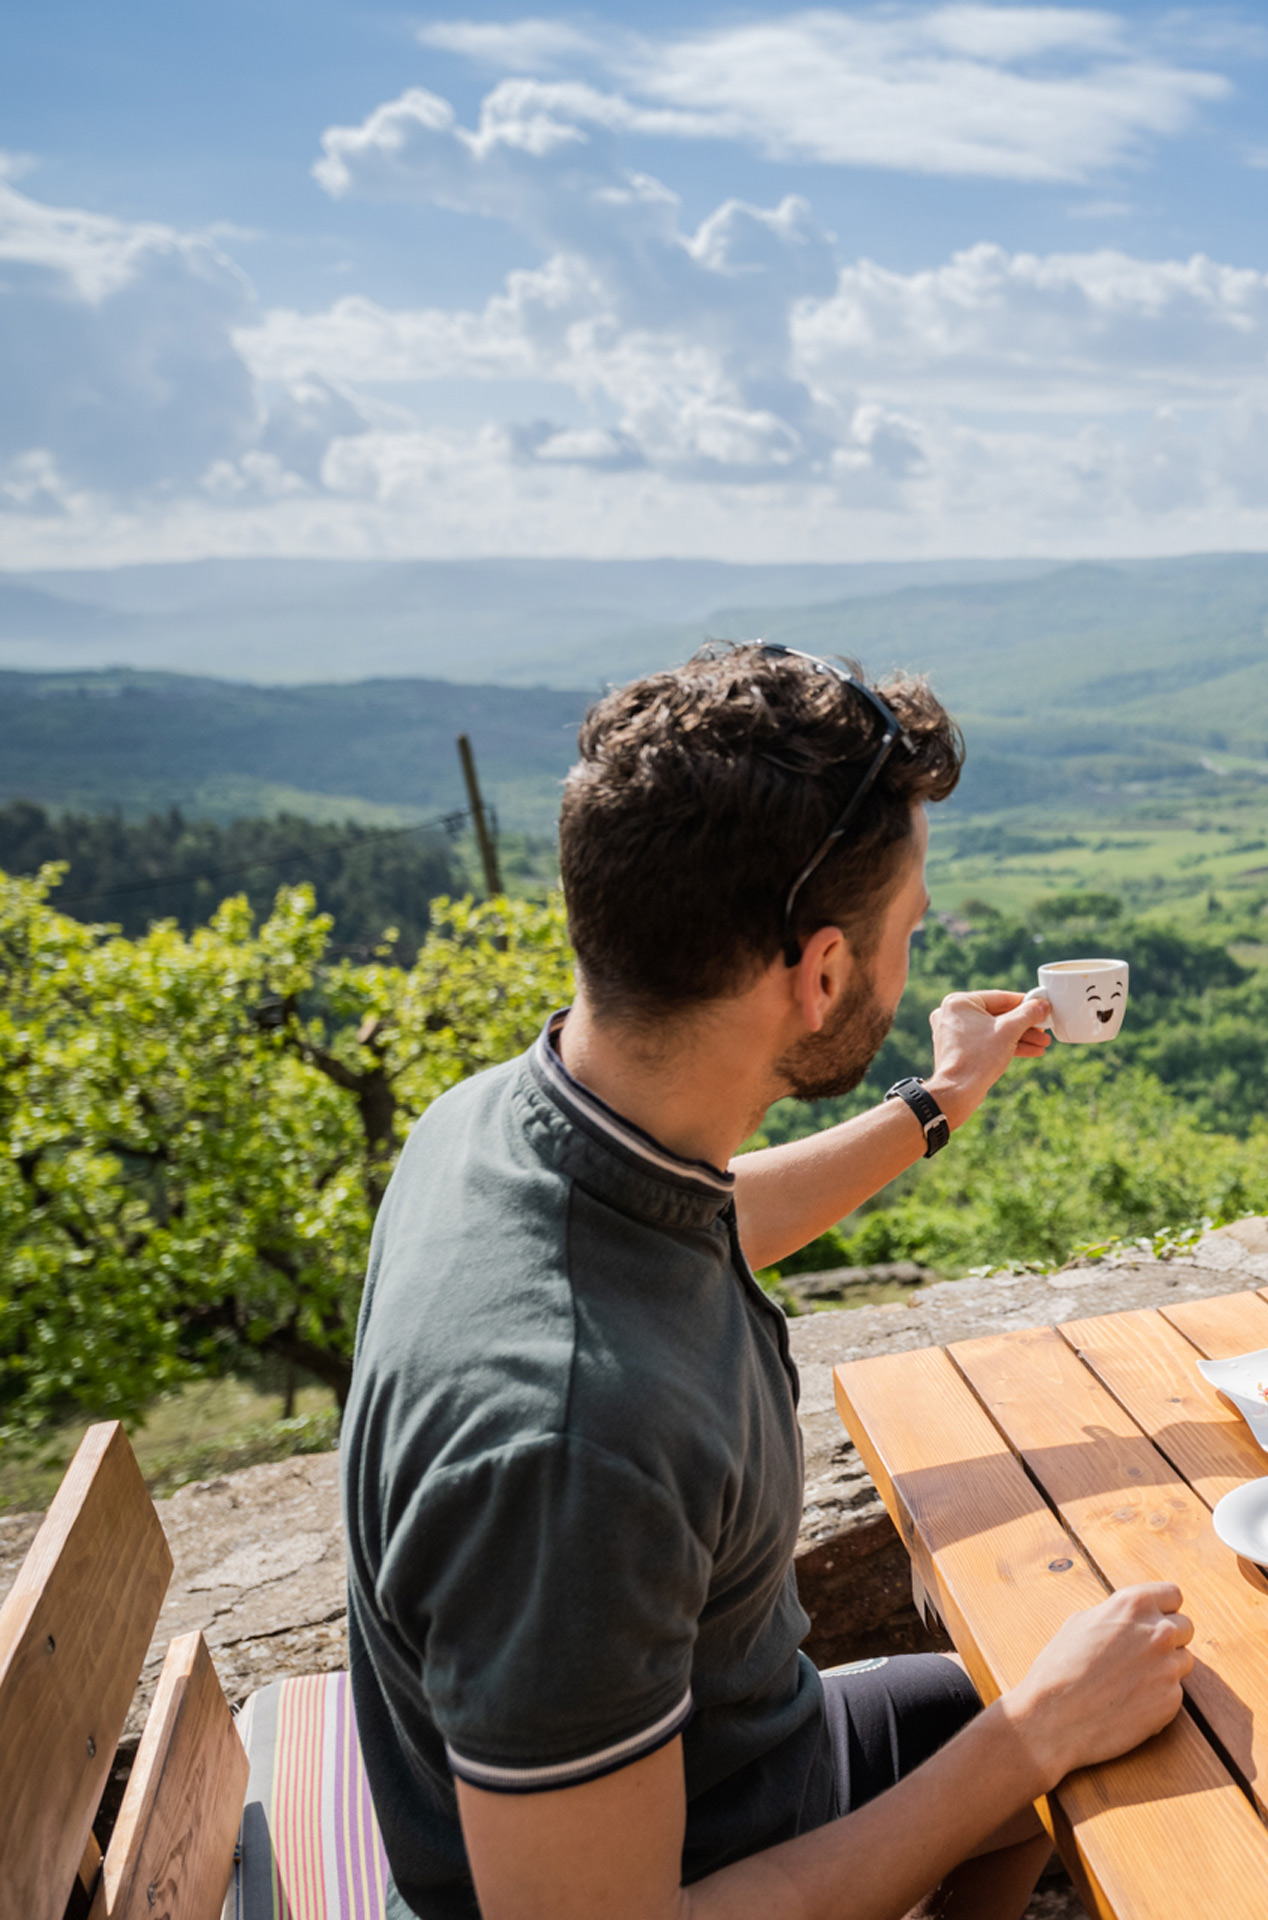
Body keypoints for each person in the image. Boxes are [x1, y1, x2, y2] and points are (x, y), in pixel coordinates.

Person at [340, 644, 1195, 1920]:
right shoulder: (573, 1453)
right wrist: (1032, 1739)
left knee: (1055, 1718)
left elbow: (700, 1229)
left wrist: (940, 1101)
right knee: (1095, 1741)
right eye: (908, 934)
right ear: (824, 975)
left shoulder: (502, 1125)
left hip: (731, 1761)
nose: (914, 961)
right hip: (697, 1857)